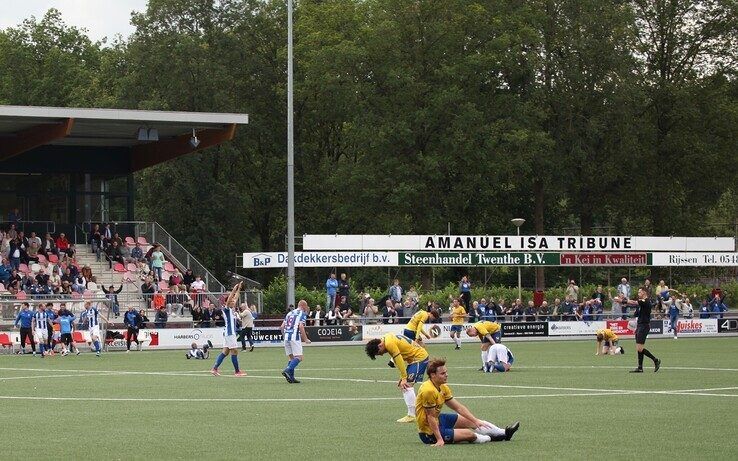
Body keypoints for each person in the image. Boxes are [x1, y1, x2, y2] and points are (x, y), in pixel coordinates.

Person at [415, 358, 519, 446]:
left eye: (446, 372)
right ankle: (490, 438)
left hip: (439, 420)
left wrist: (475, 420)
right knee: (469, 434)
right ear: (433, 375)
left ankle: (505, 432)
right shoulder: (428, 390)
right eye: (443, 373)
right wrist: (439, 439)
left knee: (472, 421)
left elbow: (458, 408)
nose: (447, 375)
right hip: (428, 431)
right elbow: (430, 417)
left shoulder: (443, 387)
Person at [365, 333, 429, 423]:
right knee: (403, 385)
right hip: (415, 359)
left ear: (380, 345)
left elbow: (399, 360)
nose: (382, 355)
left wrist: (404, 378)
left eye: (379, 353)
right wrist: (402, 377)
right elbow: (397, 360)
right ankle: (414, 414)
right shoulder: (386, 338)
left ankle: (413, 415)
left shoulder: (389, 344)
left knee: (407, 385)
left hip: (419, 358)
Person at [210, 282, 246, 377]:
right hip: (230, 333)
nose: (234, 302)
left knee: (225, 352)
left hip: (228, 333)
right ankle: (237, 371)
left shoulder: (231, 309)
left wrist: (239, 288)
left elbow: (236, 297)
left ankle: (214, 369)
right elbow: (231, 298)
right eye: (232, 301)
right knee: (234, 351)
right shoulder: (226, 309)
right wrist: (233, 290)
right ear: (228, 302)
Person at [626, 288, 661, 373]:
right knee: (639, 348)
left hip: (644, 326)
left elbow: (634, 302)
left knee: (640, 348)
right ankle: (640, 368)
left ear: (644, 293)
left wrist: (622, 300)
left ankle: (655, 360)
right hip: (639, 326)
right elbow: (636, 313)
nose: (638, 293)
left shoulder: (646, 301)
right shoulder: (641, 303)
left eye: (639, 292)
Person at [280, 299, 311, 383]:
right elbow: (301, 326)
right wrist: (305, 339)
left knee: (291, 358)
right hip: (294, 337)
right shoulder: (302, 313)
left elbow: (282, 327)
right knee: (299, 357)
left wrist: (285, 336)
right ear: (303, 306)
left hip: (286, 337)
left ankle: (291, 378)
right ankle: (288, 369)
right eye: (306, 306)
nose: (306, 308)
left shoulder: (289, 313)